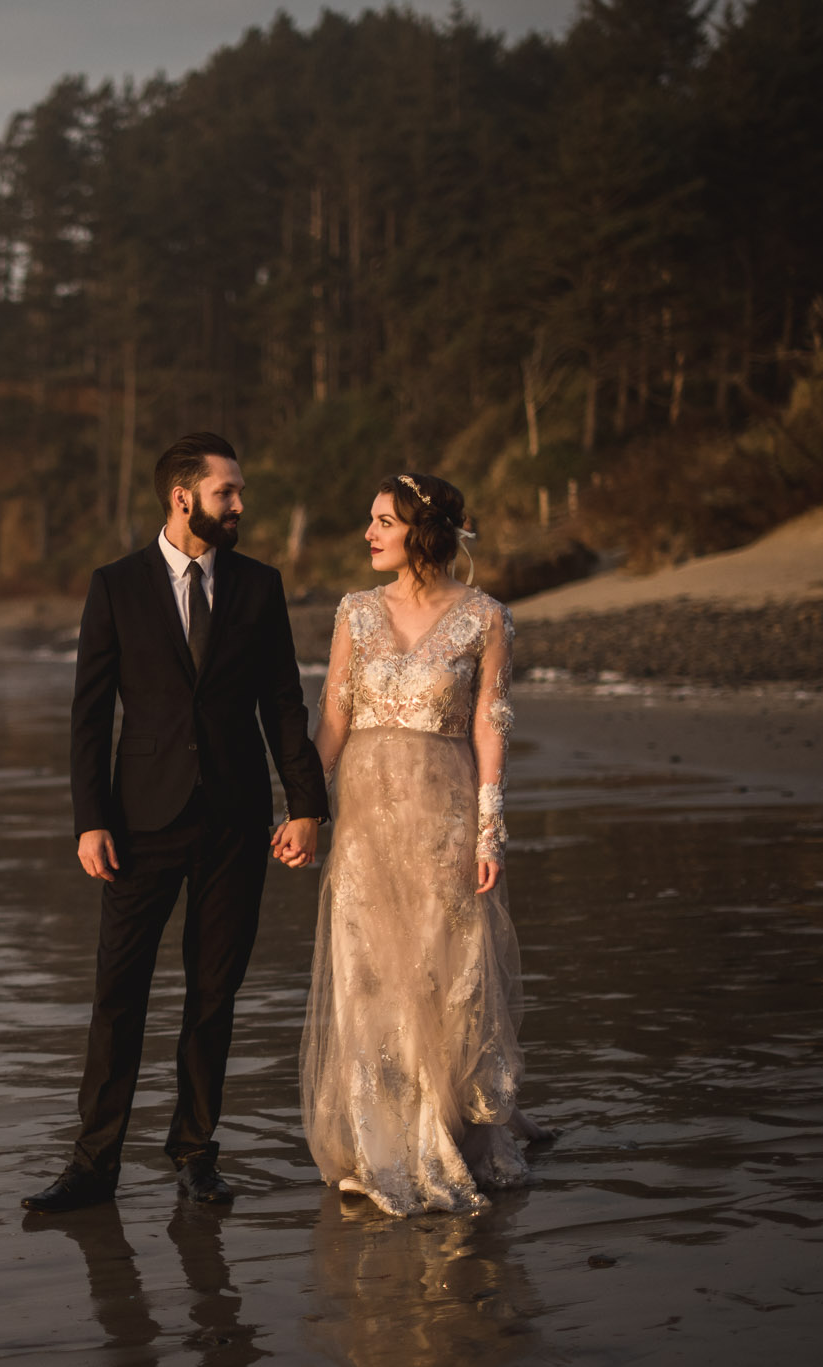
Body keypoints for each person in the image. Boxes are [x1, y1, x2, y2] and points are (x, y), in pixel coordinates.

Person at [23, 432, 330, 1215]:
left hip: (234, 821)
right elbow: (90, 715)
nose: (240, 506)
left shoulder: (260, 586)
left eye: (239, 492)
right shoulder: (116, 585)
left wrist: (306, 804)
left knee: (212, 993)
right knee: (118, 992)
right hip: (139, 822)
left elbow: (283, 706)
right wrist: (90, 820)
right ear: (182, 497)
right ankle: (94, 1162)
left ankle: (196, 1153)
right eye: (228, 492)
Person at [299, 472, 550, 1217]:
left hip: (443, 822)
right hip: (367, 828)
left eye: (383, 521)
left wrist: (489, 829)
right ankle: (382, 1142)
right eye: (370, 520)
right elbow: (335, 723)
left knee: (445, 976)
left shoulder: (485, 618)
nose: (369, 534)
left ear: (422, 529)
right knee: (370, 976)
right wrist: (306, 810)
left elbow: (489, 727)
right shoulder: (354, 612)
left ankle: (437, 1133)